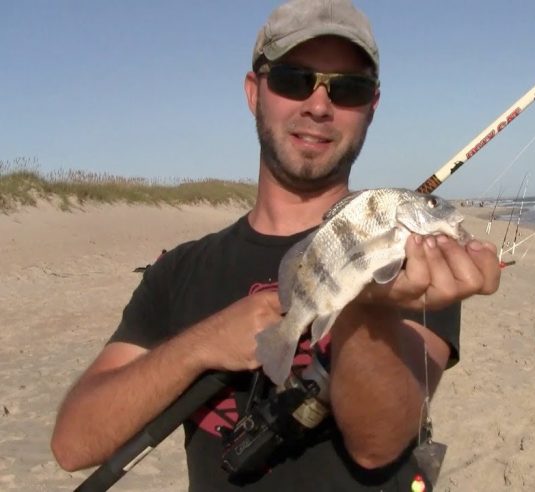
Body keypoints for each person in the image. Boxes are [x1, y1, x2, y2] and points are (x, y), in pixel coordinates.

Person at [50, 0, 501, 490]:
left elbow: (379, 444)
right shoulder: (179, 272)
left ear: (372, 106)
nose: (319, 105)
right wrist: (200, 346)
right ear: (254, 92)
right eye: (293, 79)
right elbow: (74, 444)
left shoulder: (413, 262)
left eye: (348, 88)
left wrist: (370, 308)